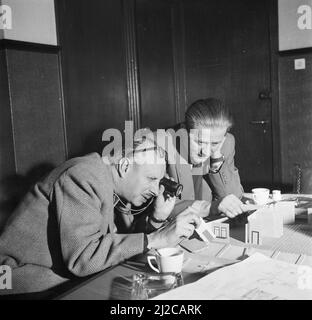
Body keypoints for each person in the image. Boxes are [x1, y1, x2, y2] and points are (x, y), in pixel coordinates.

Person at [0, 136, 200, 295]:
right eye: (151, 179)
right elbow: (83, 258)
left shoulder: (108, 183)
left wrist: (157, 218)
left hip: (58, 278)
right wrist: (157, 238)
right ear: (124, 166)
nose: (157, 191)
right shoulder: (84, 176)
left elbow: (121, 242)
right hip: (20, 280)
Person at [159, 98, 249, 219]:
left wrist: (216, 156)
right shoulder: (162, 146)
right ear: (183, 131)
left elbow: (234, 198)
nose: (205, 152)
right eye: (200, 142)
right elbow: (162, 208)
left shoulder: (226, 143)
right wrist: (209, 208)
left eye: (214, 143)